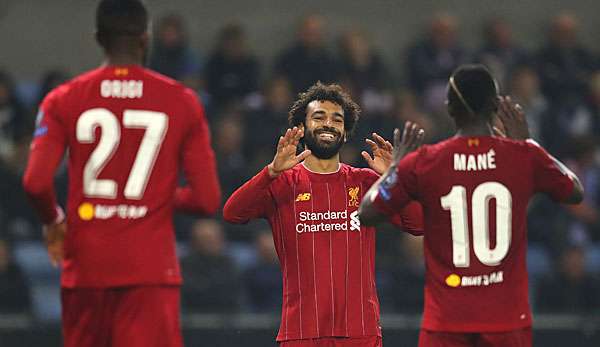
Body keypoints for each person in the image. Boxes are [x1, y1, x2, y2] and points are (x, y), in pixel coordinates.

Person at [21, 1, 221, 346]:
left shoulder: (62, 99)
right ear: (146, 38)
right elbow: (207, 200)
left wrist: (53, 220)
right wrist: (157, 195)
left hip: (85, 269)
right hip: (150, 273)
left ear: (98, 38)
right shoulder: (182, 101)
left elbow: (35, 182)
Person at [359, 64, 584, 347]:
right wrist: (529, 143)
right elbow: (574, 191)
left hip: (446, 322)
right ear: (495, 107)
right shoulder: (523, 155)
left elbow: (367, 213)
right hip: (507, 321)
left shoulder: (424, 162)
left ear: (449, 109)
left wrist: (394, 168)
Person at [223, 82, 423, 347]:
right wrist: (270, 171)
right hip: (301, 332)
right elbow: (232, 213)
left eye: (337, 119)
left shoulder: (366, 182)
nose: (328, 123)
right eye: (319, 117)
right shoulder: (282, 183)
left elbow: (418, 224)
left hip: (360, 332)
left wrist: (393, 178)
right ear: (302, 128)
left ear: (345, 131)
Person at [180, 219, 240, 313]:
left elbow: (234, 296)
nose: (210, 243)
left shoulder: (230, 264)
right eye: (205, 239)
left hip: (226, 318)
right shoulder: (185, 265)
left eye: (214, 239)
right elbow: (190, 293)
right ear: (195, 242)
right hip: (192, 318)